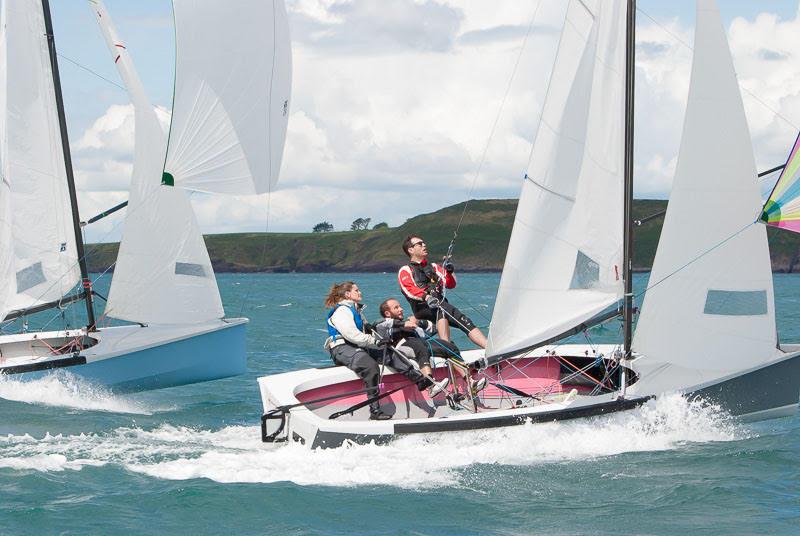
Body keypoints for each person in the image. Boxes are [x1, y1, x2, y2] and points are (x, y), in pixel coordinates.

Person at [323, 281, 441, 421]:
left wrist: (380, 340)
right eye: (356, 290)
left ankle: (422, 381)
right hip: (342, 349)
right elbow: (352, 335)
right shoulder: (342, 311)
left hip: (358, 346)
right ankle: (375, 411)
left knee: (390, 354)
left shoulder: (356, 310)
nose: (360, 292)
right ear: (348, 294)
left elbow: (366, 332)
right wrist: (375, 341)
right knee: (370, 367)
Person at [376, 298, 487, 394]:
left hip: (419, 343)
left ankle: (470, 382)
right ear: (387, 313)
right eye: (396, 308)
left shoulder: (411, 321)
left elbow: (434, 328)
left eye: (400, 306)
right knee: (419, 346)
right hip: (402, 347)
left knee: (449, 346)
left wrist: (419, 322)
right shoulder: (385, 326)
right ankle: (431, 385)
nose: (401, 309)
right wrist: (403, 324)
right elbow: (376, 324)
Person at [397, 235, 488, 348]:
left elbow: (450, 284)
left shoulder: (434, 267)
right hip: (423, 308)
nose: (424, 245)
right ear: (410, 250)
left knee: (464, 320)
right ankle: (447, 349)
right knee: (441, 310)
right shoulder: (405, 270)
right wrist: (426, 297)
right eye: (420, 244)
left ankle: (489, 348)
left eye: (424, 242)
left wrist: (449, 271)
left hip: (440, 304)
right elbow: (409, 289)